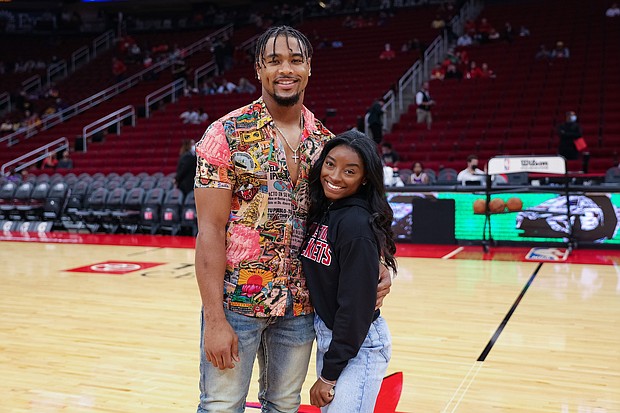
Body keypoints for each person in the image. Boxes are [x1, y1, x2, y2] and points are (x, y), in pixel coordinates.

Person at [193, 26, 391, 413]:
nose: (286, 69)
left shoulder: (325, 142)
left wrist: (379, 259)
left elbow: (356, 213)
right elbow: (210, 231)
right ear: (258, 69)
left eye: (295, 60)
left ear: (309, 68)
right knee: (220, 405)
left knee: (284, 406)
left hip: (301, 308)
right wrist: (214, 319)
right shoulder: (226, 135)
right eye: (274, 60)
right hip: (237, 304)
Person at [300, 131, 395, 411]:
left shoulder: (355, 224)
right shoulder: (326, 211)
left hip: (357, 343)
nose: (335, 176)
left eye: (349, 171)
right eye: (330, 164)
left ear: (364, 178)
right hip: (334, 338)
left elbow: (355, 308)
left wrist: (328, 375)